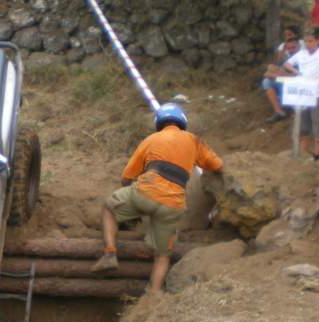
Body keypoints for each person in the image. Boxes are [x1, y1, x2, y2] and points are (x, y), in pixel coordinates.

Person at [90, 104, 223, 293]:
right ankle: (154, 294)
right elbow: (217, 166)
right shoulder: (194, 141)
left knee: (110, 208)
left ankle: (110, 253)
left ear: (159, 122)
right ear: (183, 121)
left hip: (144, 193)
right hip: (173, 205)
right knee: (162, 255)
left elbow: (125, 178)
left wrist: (133, 206)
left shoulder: (150, 140)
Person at [272, 28, 319, 160]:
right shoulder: (301, 54)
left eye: (310, 41)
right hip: (303, 93)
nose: (308, 44)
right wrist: (295, 71)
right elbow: (287, 63)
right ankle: (302, 153)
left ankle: (317, 155)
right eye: (306, 41)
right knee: (303, 123)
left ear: (318, 41)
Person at [264, 34, 302, 122]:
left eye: (293, 47)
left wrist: (280, 74)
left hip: (297, 83)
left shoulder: (302, 57)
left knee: (281, 81)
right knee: (266, 82)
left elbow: (300, 75)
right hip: (285, 80)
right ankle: (279, 112)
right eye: (289, 48)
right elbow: (269, 72)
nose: (291, 50)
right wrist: (273, 73)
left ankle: (293, 110)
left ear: (298, 46)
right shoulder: (287, 58)